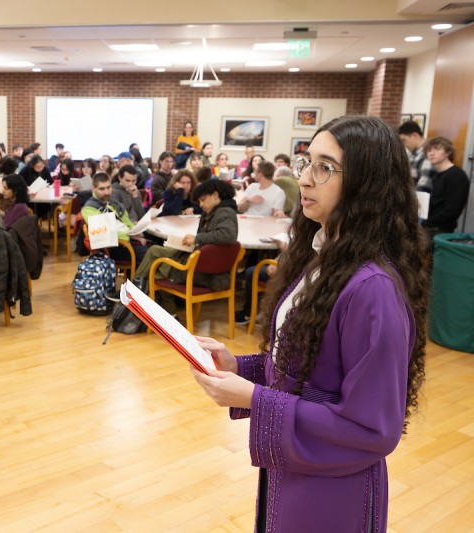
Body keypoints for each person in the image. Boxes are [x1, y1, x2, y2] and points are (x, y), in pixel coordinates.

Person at [190, 115, 428, 532]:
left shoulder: (372, 288)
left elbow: (372, 430)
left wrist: (255, 398)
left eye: (325, 167)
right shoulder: (325, 258)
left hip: (334, 489)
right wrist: (239, 368)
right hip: (300, 468)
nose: (305, 180)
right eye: (306, 163)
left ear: (366, 183)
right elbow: (308, 369)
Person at [131, 180, 238, 313]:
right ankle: (153, 304)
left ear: (216, 195)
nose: (201, 205)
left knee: (156, 272)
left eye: (203, 200)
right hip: (200, 264)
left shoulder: (224, 213)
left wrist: (197, 239)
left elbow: (228, 236)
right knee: (155, 251)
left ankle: (136, 297)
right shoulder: (214, 213)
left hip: (204, 272)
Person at [81, 172, 147, 265]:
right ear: (93, 189)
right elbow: (106, 232)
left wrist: (135, 232)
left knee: (154, 248)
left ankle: (138, 277)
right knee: (149, 254)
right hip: (110, 248)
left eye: (108, 187)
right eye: (102, 189)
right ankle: (139, 278)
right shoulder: (89, 208)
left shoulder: (115, 203)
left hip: (125, 242)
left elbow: (127, 222)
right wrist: (130, 235)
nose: (106, 192)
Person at [422, 136, 470, 246]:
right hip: (429, 227)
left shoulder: (457, 175)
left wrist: (424, 222)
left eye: (436, 149)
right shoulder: (436, 175)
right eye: (429, 150)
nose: (431, 153)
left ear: (448, 152)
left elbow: (452, 211)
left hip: (440, 230)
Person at [398, 120, 434, 192]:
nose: (403, 145)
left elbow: (423, 186)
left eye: (404, 140)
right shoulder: (412, 154)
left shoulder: (429, 153)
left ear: (415, 135)